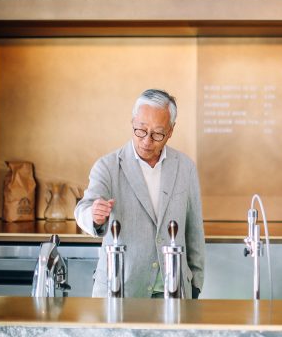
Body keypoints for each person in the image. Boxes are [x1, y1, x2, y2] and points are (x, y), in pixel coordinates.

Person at [75, 89, 204, 298]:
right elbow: (83, 209)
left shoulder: (185, 167)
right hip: (121, 290)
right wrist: (94, 215)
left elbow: (194, 229)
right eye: (141, 130)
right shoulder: (108, 166)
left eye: (157, 134)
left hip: (173, 291)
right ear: (133, 121)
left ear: (171, 131)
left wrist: (195, 283)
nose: (147, 141)